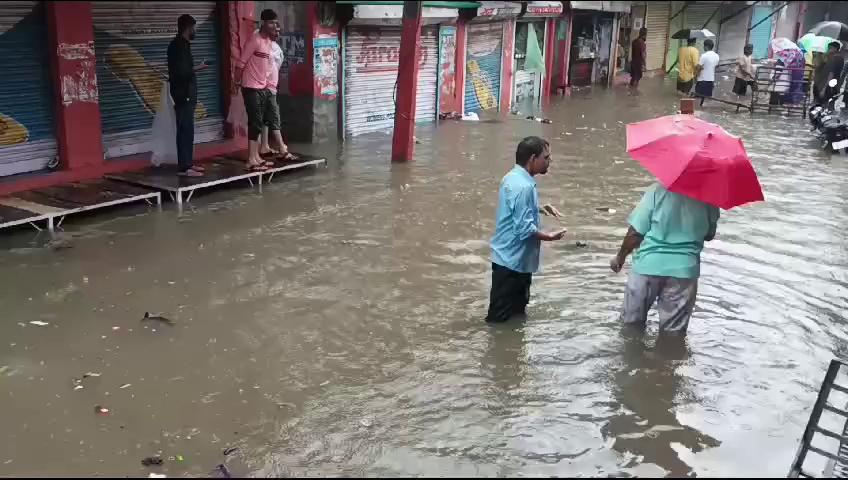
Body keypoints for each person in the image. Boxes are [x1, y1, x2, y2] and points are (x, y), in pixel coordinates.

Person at [609, 182, 720, 335]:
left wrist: (620, 258)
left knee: (630, 328)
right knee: (673, 336)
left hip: (647, 267)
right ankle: (667, 357)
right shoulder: (710, 197)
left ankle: (631, 358)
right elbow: (709, 234)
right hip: (684, 271)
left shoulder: (657, 190)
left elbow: (635, 233)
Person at [486, 136, 567, 324]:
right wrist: (549, 237)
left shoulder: (512, 177)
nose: (549, 161)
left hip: (511, 260)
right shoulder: (523, 187)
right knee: (500, 320)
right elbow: (524, 228)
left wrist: (538, 207)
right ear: (532, 159)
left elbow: (514, 208)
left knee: (514, 316)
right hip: (512, 263)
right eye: (546, 157)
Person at [235, 9, 280, 172]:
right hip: (250, 86)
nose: (274, 25)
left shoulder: (268, 41)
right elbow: (240, 63)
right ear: (263, 23)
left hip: (262, 86)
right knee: (254, 122)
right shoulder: (254, 40)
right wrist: (236, 83)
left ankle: (256, 157)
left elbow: (267, 66)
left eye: (275, 22)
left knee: (259, 123)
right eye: (271, 22)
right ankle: (250, 159)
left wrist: (268, 85)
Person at [167, 14, 209, 177]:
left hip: (187, 94)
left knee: (188, 130)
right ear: (188, 28)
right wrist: (199, 67)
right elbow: (181, 72)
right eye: (193, 28)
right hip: (182, 94)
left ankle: (188, 163)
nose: (195, 31)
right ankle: (184, 167)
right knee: (184, 129)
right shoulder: (178, 46)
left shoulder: (182, 45)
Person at [694, 39, 719, 106]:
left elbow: (698, 67)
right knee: (706, 100)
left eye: (703, 46)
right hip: (711, 80)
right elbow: (714, 66)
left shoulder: (704, 56)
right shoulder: (716, 56)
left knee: (698, 100)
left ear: (706, 46)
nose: (703, 47)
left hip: (702, 80)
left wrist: (695, 77)